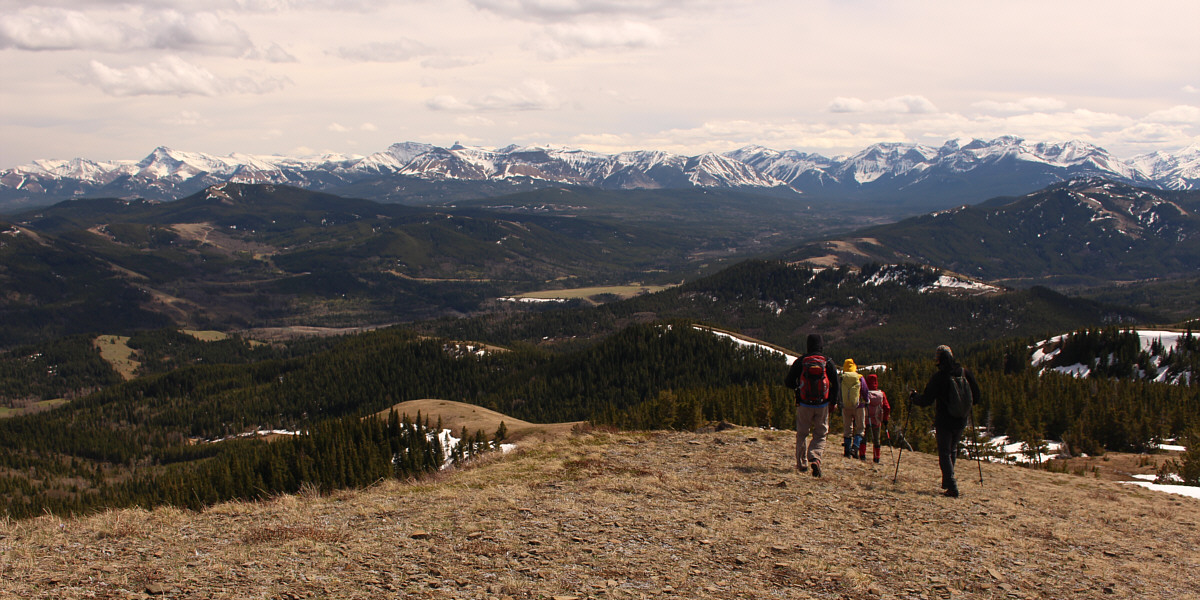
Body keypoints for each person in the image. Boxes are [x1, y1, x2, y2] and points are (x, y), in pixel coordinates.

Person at [911, 345, 981, 497]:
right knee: (952, 450)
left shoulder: (940, 377)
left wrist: (914, 398)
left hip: (944, 420)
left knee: (944, 452)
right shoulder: (965, 373)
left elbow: (926, 400)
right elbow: (977, 396)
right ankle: (948, 482)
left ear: (938, 359)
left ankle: (952, 486)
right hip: (961, 419)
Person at [785, 334, 841, 478]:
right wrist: (833, 402)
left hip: (804, 403)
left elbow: (789, 382)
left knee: (802, 433)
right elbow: (836, 384)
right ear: (821, 345)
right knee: (821, 433)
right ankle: (815, 457)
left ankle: (802, 464)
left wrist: (799, 388)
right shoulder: (827, 362)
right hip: (822, 404)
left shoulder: (801, 361)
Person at [839, 359, 868, 458]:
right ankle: (855, 448)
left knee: (847, 428)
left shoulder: (842, 378)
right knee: (860, 428)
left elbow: (839, 391)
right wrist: (867, 400)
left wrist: (840, 402)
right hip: (858, 406)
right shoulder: (859, 377)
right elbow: (864, 390)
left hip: (845, 406)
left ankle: (847, 451)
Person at [862, 373, 891, 463]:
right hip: (877, 419)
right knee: (876, 439)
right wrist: (885, 419)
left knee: (863, 437)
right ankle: (876, 457)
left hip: (865, 418)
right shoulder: (881, 394)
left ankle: (862, 455)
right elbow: (887, 407)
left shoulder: (864, 393)